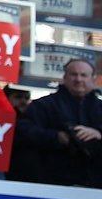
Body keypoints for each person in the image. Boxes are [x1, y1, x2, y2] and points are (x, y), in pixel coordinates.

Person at [14, 58, 102, 187]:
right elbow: (23, 130)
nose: (78, 79)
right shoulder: (43, 105)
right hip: (52, 182)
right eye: (73, 74)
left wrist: (98, 134)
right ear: (64, 77)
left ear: (93, 79)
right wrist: (57, 137)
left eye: (83, 75)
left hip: (95, 184)